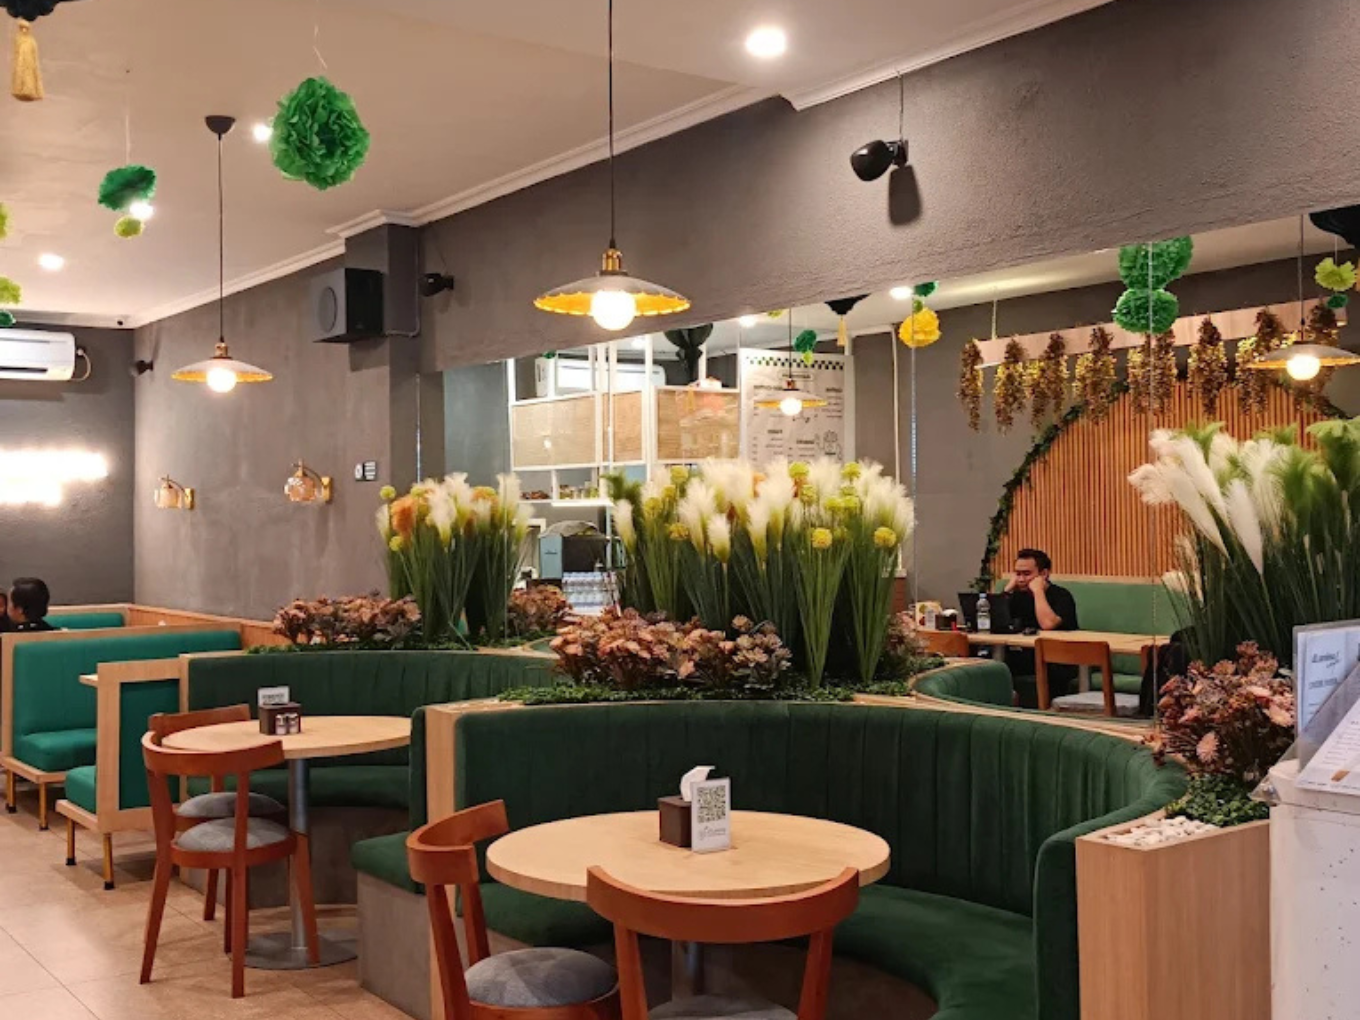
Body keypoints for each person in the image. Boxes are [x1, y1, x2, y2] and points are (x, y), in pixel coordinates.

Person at [1002, 549, 1079, 705]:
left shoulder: (1061, 595)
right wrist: (1006, 592)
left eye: (1026, 574)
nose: (1021, 579)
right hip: (1025, 654)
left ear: (1044, 574)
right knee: (990, 661)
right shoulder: (1016, 595)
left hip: (1059, 658)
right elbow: (995, 622)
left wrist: (1038, 591)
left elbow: (1047, 624)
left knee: (1052, 669)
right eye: (1017, 574)